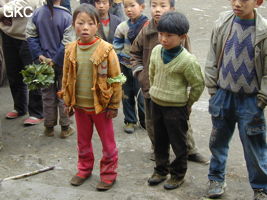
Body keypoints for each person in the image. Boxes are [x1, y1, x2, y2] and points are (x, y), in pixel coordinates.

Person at [130, 0, 208, 163]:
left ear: (172, 8)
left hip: (174, 92)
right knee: (152, 122)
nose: (157, 10)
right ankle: (157, 149)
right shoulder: (146, 31)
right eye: (154, 5)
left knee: (181, 123)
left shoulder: (180, 34)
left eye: (163, 6)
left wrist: (186, 93)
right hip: (151, 89)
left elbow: (189, 62)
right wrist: (141, 74)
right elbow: (134, 53)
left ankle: (189, 150)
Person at [205, 0, 267, 199]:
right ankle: (216, 177)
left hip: (250, 100)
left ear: (258, 2)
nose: (237, 3)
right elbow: (212, 57)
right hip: (223, 95)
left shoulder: (264, 31)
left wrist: (262, 99)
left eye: (243, 0)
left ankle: (261, 187)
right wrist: (213, 90)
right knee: (218, 141)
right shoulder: (223, 23)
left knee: (255, 146)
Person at [58, 4, 122, 191]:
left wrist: (114, 105)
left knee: (108, 143)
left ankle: (109, 174)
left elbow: (116, 78)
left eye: (90, 23)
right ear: (73, 25)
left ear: (97, 25)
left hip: (101, 106)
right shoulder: (70, 49)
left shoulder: (106, 50)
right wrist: (67, 101)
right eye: (80, 23)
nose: (85, 27)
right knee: (82, 142)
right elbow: (66, 77)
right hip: (80, 107)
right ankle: (84, 169)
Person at [147, 11, 204, 190]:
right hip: (156, 104)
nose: (163, 39)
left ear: (182, 37)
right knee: (159, 140)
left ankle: (178, 174)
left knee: (179, 143)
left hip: (176, 108)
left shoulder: (188, 61)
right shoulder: (156, 51)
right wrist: (155, 91)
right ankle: (160, 170)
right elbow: (152, 73)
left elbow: (198, 85)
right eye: (161, 34)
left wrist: (187, 104)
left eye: (169, 35)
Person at [26, 0, 74, 138]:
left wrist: (40, 55)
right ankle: (65, 128)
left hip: (43, 63)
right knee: (63, 94)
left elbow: (30, 35)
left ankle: (49, 127)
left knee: (47, 95)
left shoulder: (37, 13)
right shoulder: (67, 16)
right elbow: (67, 43)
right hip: (62, 63)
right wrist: (55, 60)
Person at [0, 0, 44, 125]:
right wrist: (5, 12)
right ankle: (19, 107)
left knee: (33, 75)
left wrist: (4, 12)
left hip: (28, 36)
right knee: (13, 73)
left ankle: (37, 112)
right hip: (8, 33)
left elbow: (28, 5)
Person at [113, 0, 147, 133]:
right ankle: (130, 120)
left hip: (141, 68)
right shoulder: (122, 27)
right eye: (125, 6)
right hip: (125, 67)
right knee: (126, 94)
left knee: (142, 95)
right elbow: (116, 46)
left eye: (132, 5)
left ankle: (145, 121)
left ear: (142, 7)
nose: (128, 9)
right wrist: (120, 61)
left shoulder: (147, 26)